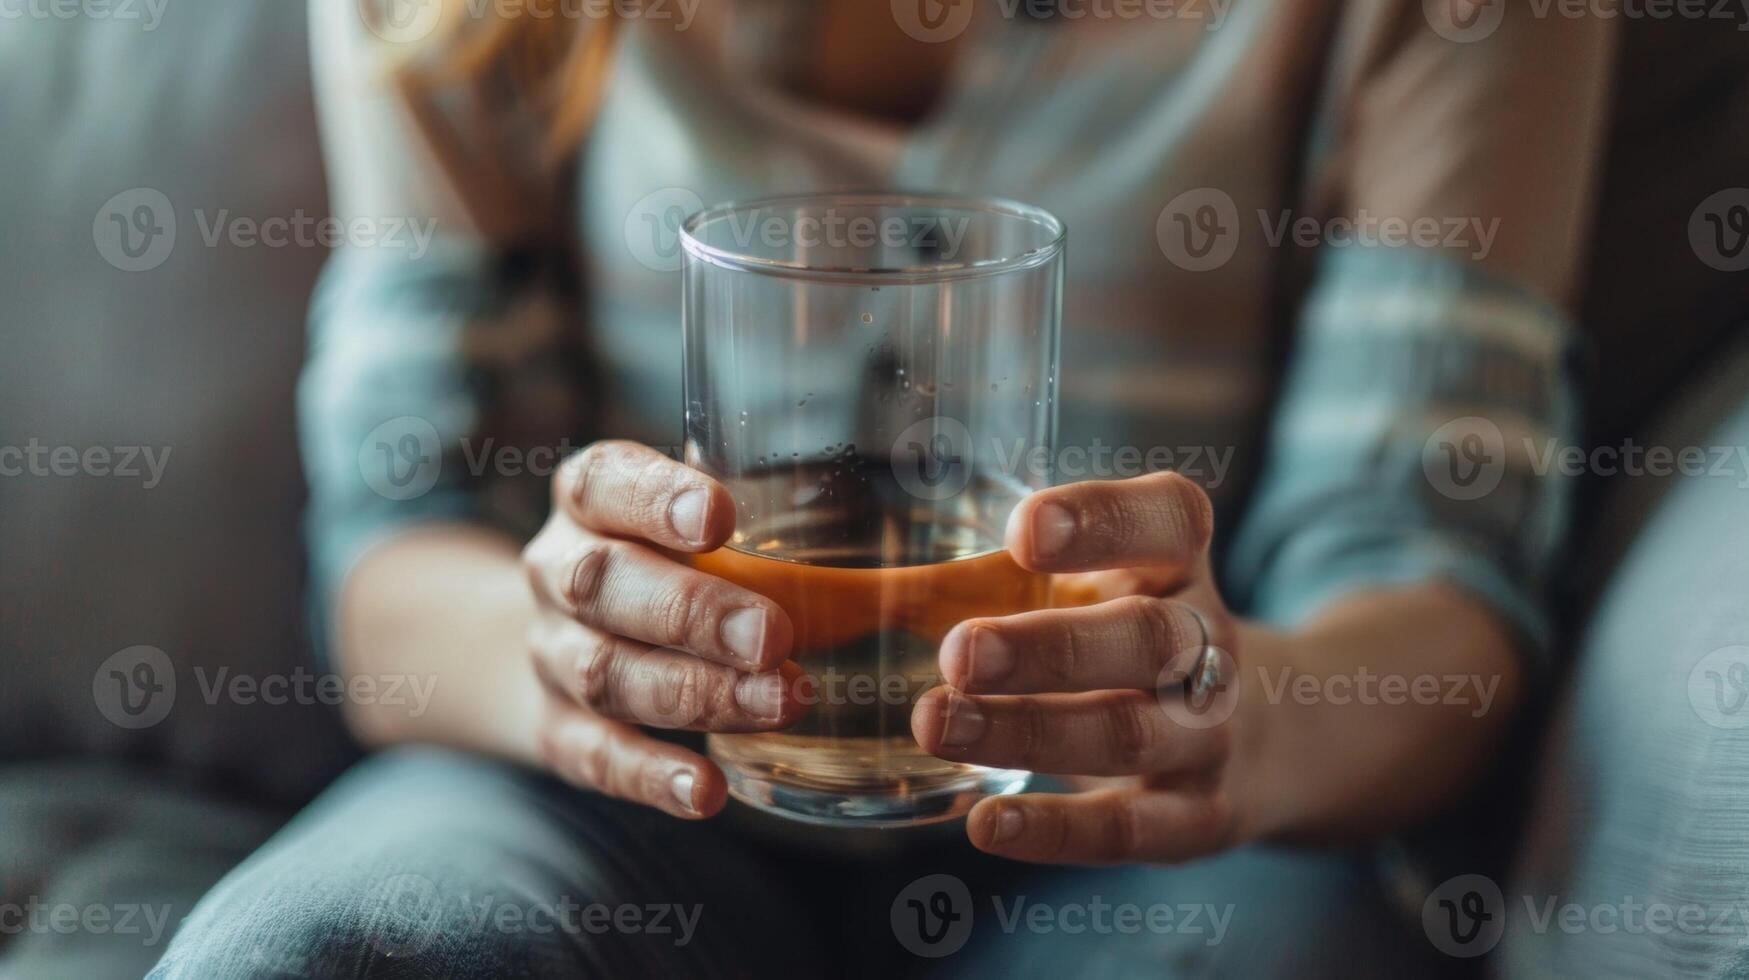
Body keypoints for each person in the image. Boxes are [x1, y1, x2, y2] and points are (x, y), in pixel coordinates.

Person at [151, 0, 1614, 975]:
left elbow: (1434, 579)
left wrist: (1250, 713)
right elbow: (398, 564)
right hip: (618, 803)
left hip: (1135, 841)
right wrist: (559, 643)